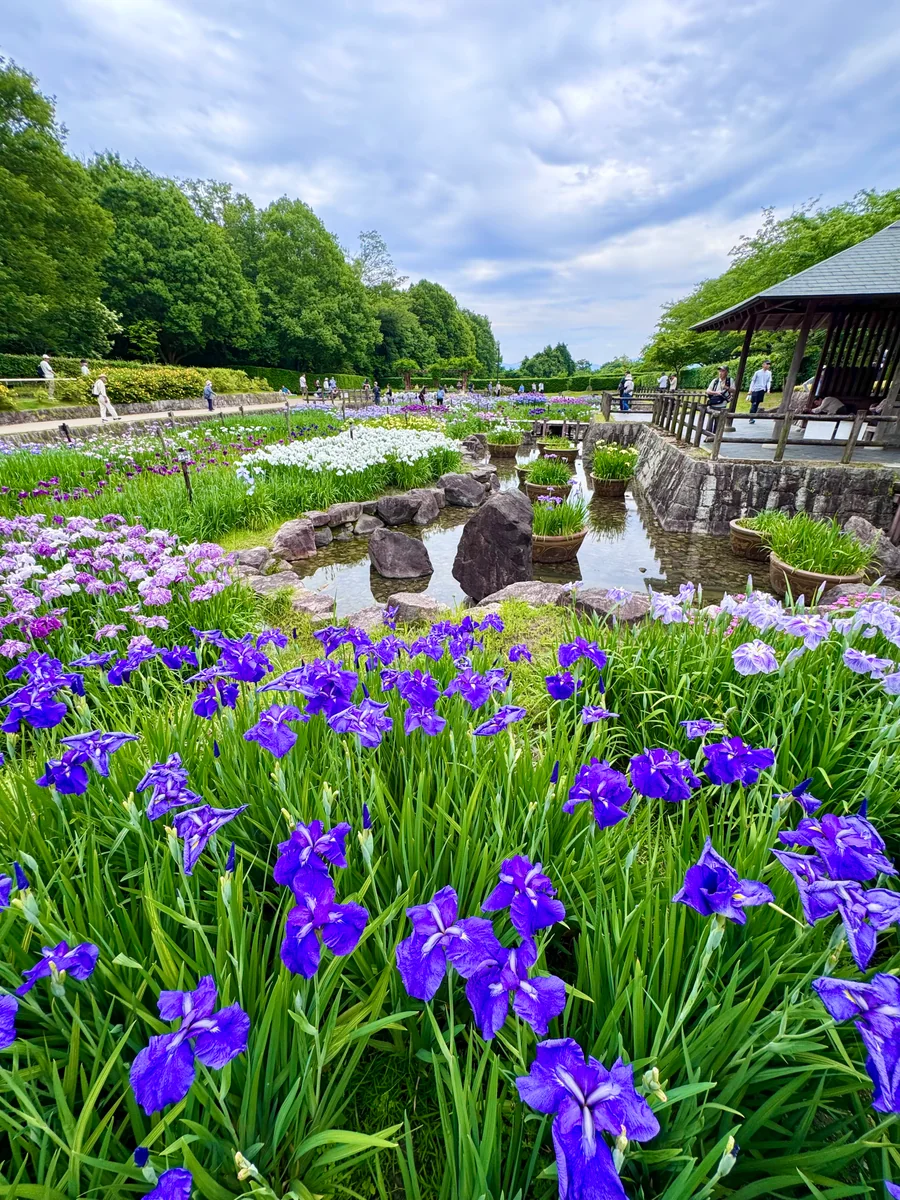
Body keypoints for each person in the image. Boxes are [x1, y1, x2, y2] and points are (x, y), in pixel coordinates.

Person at [704, 366, 733, 439]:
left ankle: (716, 437)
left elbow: (734, 390)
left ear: (726, 372)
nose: (720, 373)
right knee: (710, 422)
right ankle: (708, 437)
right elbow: (708, 391)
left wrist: (727, 388)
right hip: (713, 404)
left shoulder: (730, 380)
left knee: (719, 423)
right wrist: (716, 393)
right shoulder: (715, 381)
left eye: (723, 371)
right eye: (720, 371)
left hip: (722, 405)